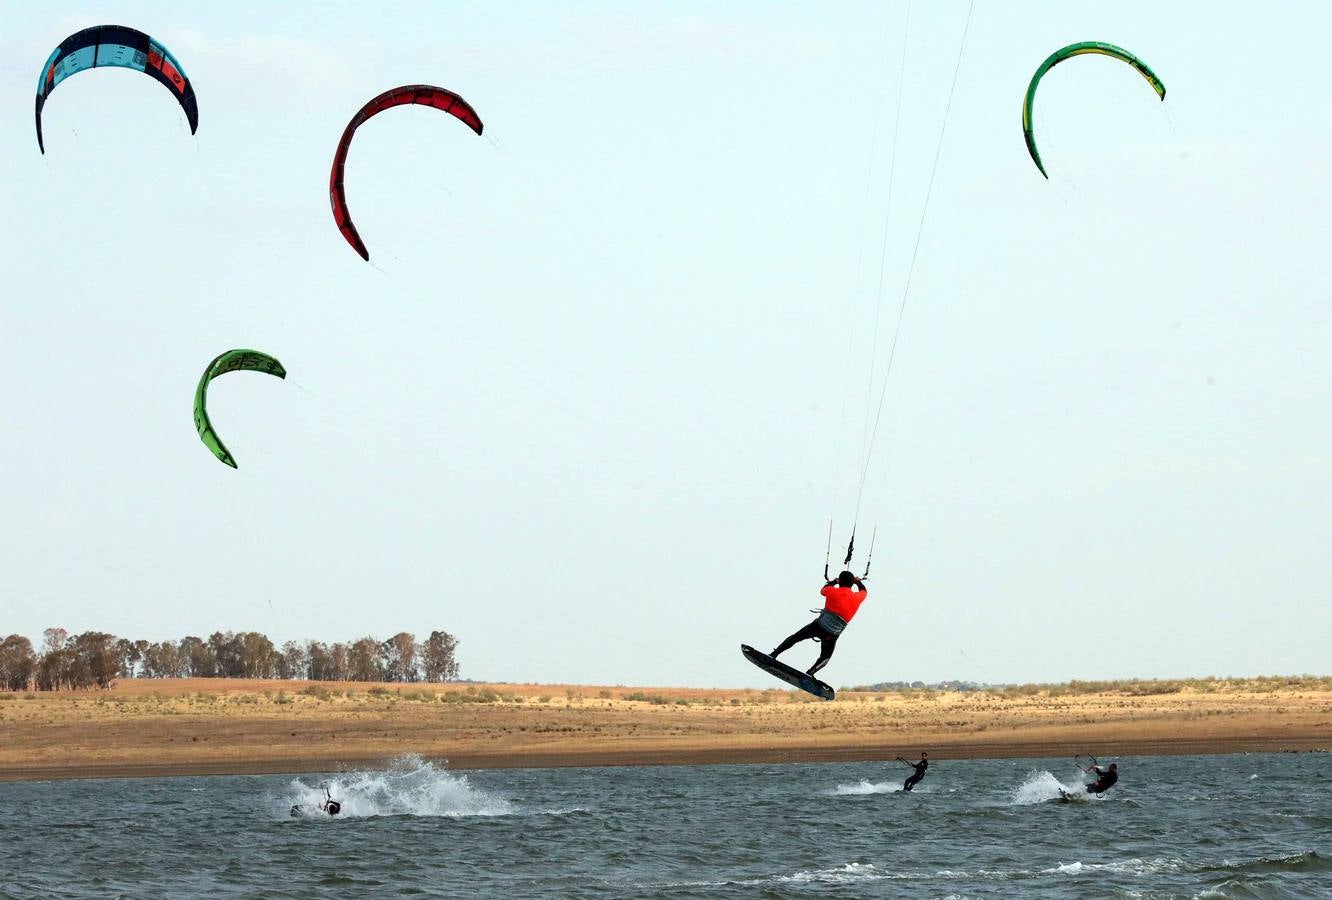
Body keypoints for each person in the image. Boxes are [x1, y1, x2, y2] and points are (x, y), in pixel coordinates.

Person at [770, 570, 868, 677]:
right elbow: (864, 591)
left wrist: (834, 582)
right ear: (852, 583)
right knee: (825, 657)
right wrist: (858, 582)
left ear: (840, 582)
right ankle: (811, 672)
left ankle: (773, 655)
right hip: (832, 635)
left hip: (818, 626)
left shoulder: (831, 591)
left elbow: (823, 590)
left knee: (795, 638)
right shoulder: (857, 597)